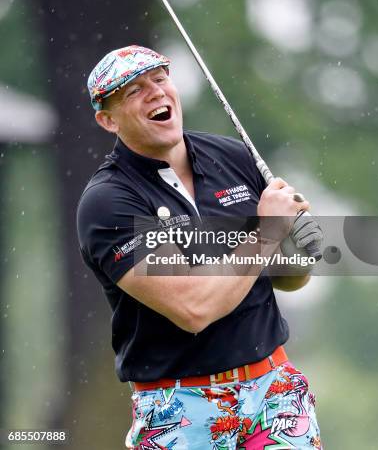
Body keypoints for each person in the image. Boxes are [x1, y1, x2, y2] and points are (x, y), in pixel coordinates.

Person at [77, 44, 322, 449]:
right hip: (180, 406)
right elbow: (193, 309)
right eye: (134, 90)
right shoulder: (110, 201)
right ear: (108, 120)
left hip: (274, 390)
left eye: (159, 79)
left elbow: (286, 279)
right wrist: (266, 231)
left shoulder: (233, 157)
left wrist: (296, 246)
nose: (155, 92)